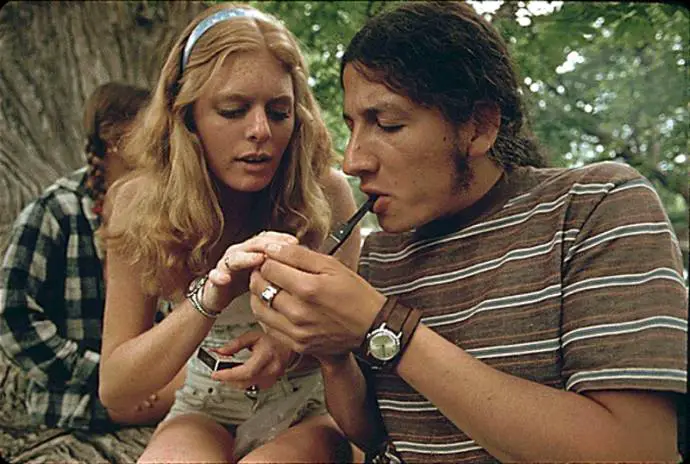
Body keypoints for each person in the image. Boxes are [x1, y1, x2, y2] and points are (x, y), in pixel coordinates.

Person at [248, 2, 688, 463]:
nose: (353, 160)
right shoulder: (384, 253)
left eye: (388, 124)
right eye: (353, 125)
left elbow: (637, 450)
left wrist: (383, 327)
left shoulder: (595, 207)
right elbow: (378, 435)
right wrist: (334, 353)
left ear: (479, 127)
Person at [97, 3, 360, 463]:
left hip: (311, 407)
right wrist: (212, 293)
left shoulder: (324, 194)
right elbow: (117, 388)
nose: (260, 131)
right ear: (187, 115)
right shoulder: (140, 204)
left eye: (278, 112)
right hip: (205, 406)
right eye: (234, 110)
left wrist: (288, 339)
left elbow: (353, 330)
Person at [0, 82, 180, 430]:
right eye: (152, 125)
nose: (164, 137)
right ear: (115, 137)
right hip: (75, 397)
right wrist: (99, 371)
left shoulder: (160, 209)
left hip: (147, 383)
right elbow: (12, 316)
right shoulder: (57, 210)